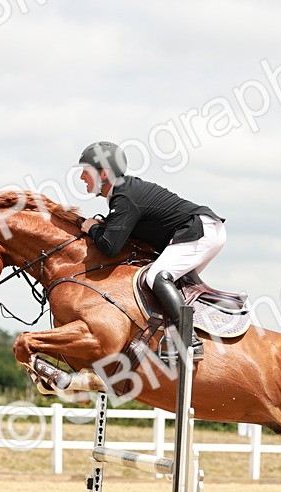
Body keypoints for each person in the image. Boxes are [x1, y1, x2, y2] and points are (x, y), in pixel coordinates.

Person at [75, 141, 226, 358]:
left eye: (86, 172)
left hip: (200, 230)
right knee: (165, 281)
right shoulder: (123, 192)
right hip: (202, 230)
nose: (81, 177)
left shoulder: (124, 196)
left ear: (105, 174)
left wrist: (92, 229)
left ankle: (189, 340)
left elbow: (110, 247)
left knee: (157, 276)